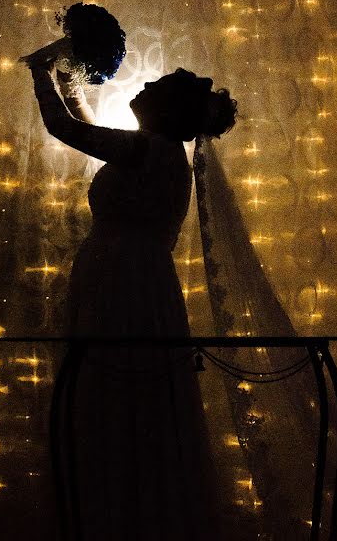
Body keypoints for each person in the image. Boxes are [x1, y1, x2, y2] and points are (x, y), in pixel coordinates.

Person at [22, 43, 237, 540]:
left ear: (167, 109)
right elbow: (88, 125)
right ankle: (127, 508)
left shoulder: (149, 150)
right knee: (127, 395)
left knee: (112, 390)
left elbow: (67, 131)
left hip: (123, 282)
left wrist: (38, 71)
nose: (142, 87)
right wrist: (67, 84)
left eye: (154, 87)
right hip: (134, 279)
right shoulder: (157, 152)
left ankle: (113, 512)